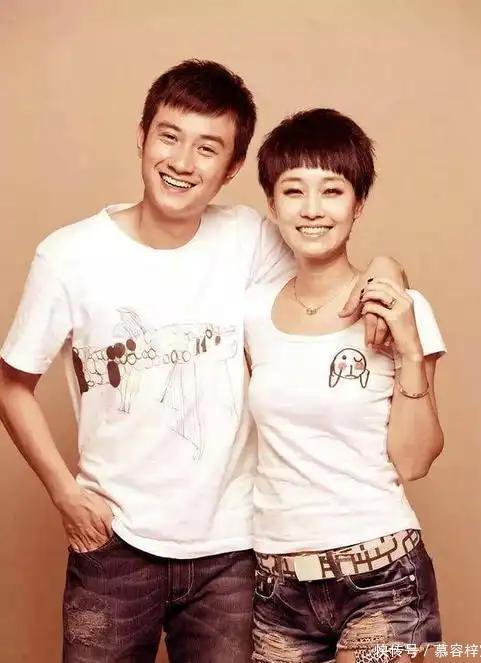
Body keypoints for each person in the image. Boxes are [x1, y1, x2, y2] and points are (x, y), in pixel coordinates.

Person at [0, 61, 405, 662]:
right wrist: (64, 493)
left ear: (232, 167)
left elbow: (329, 262)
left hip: (232, 551)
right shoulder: (69, 257)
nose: (183, 162)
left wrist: (390, 270)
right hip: (114, 543)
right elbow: (11, 384)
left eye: (208, 147)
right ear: (142, 137)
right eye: (170, 136)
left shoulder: (249, 239)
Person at [245, 108, 445, 663]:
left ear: (358, 204)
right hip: (276, 587)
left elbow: (415, 461)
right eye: (294, 190)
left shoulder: (399, 308)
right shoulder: (251, 312)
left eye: (332, 190)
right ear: (272, 204)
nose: (312, 209)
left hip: (383, 579)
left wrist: (409, 348)